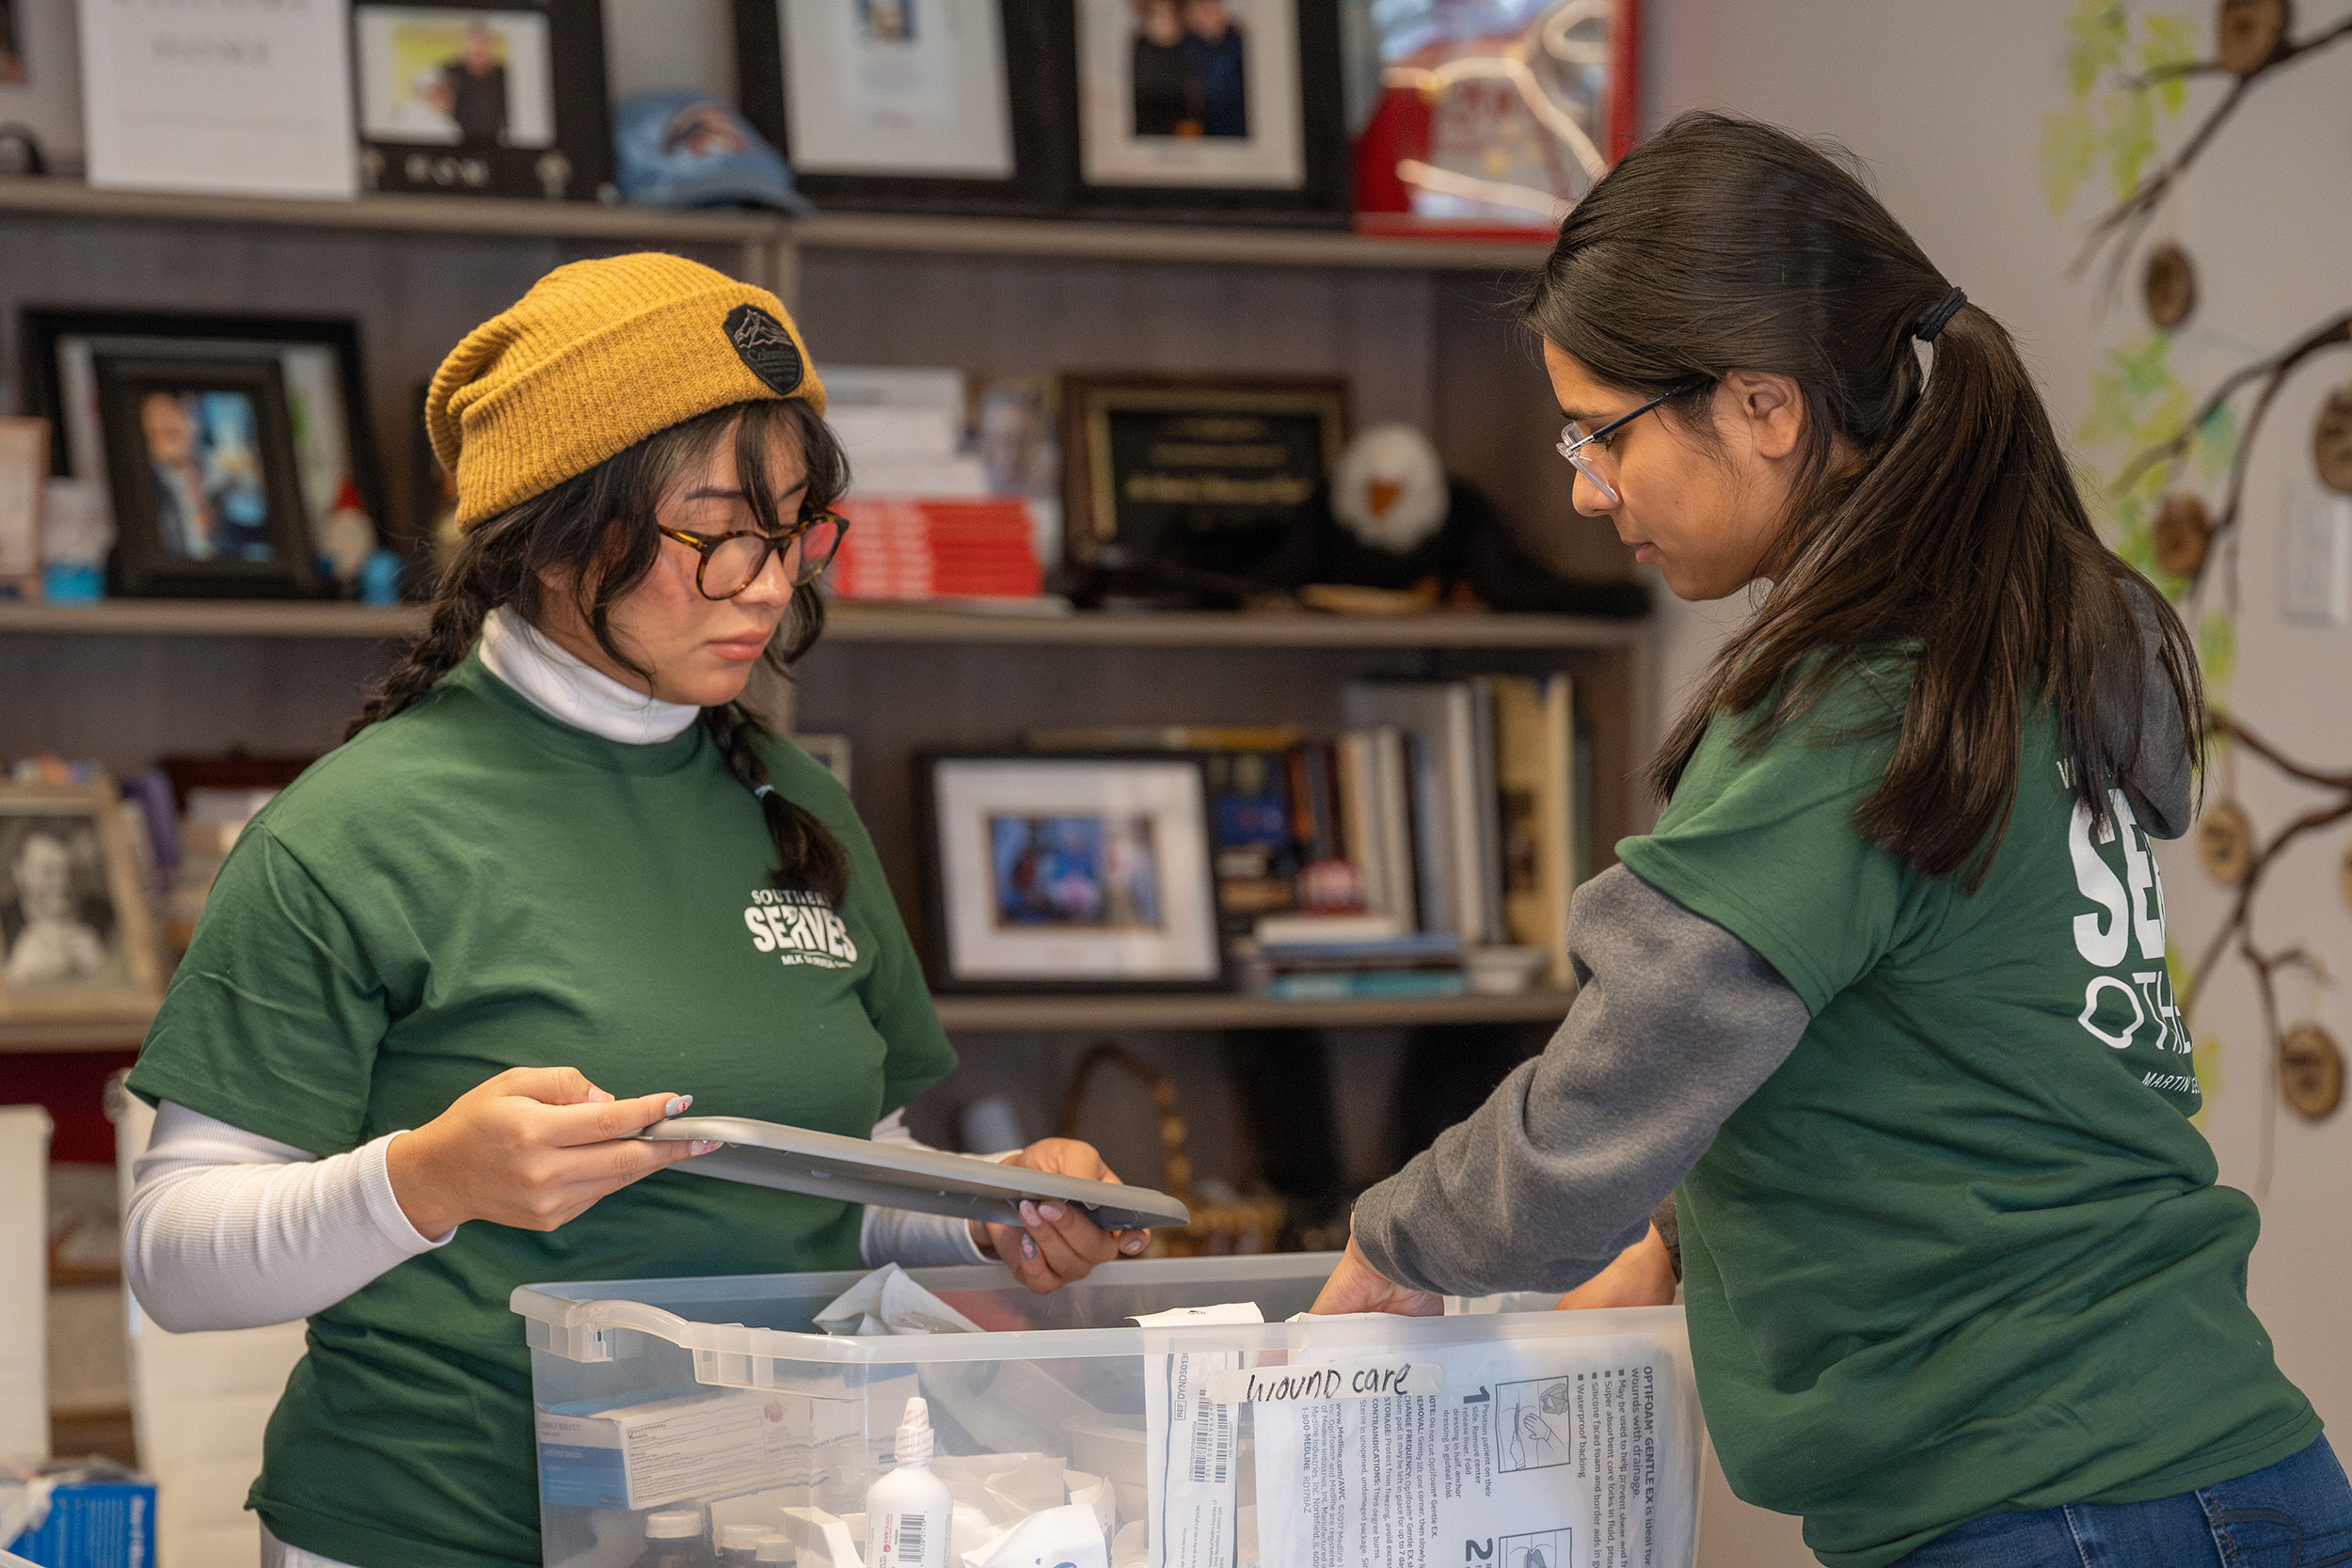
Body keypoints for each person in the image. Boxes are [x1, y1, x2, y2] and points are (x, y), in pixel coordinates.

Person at [1313, 114, 2351, 1568]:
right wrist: (1679, 1231)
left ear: (1763, 406)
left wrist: (1394, 1239)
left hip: (2059, 1501)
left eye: (1602, 432)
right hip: (2215, 1469)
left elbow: (1632, 1064)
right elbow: (1937, 1042)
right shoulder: (2007, 645)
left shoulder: (1861, 697)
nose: (1581, 487)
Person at [122, 254, 1146, 1568]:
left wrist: (992, 1205)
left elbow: (843, 1171)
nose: (768, 584)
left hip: (765, 1523)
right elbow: (174, 1255)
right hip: (432, 1531)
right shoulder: (352, 828)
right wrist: (428, 1179)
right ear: (554, 533)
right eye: (715, 532)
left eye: (793, 529)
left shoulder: (796, 800)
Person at [1, 824, 109, 987]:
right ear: (20, 871)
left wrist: (102, 970)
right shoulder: (5, 920)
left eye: (68, 871)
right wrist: (17, 973)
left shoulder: (104, 916)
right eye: (48, 872)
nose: (61, 883)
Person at [430, 20, 507, 146]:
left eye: (483, 42)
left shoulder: (505, 75)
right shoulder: (447, 73)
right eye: (473, 41)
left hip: (496, 144)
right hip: (453, 144)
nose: (478, 47)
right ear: (464, 44)